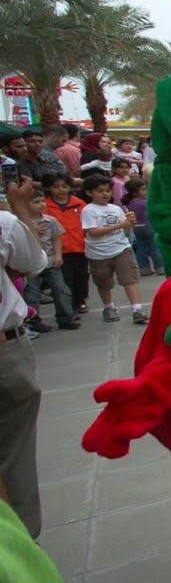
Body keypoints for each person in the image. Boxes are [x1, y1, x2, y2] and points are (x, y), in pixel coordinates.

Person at [0, 176, 48, 539]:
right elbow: (34, 261)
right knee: (13, 454)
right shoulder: (4, 224)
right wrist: (19, 213)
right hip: (6, 353)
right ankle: (20, 547)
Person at [80, 174, 149, 324]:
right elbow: (93, 232)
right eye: (100, 191)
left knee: (130, 277)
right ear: (89, 193)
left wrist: (129, 223)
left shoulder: (116, 208)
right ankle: (108, 307)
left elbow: (124, 231)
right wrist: (120, 225)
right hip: (99, 253)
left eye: (107, 190)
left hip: (121, 248)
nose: (105, 194)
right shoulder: (89, 210)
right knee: (104, 281)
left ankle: (137, 309)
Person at [20, 187, 78, 333]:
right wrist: (31, 230)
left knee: (60, 289)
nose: (41, 204)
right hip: (31, 264)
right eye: (36, 202)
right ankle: (33, 320)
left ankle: (65, 317)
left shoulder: (50, 220)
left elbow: (57, 239)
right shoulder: (19, 222)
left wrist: (58, 255)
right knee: (31, 292)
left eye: (42, 201)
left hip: (51, 261)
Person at [41, 175, 89, 315]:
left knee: (82, 276)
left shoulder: (79, 203)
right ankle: (71, 306)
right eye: (55, 187)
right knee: (66, 279)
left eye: (64, 186)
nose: (61, 190)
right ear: (48, 188)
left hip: (79, 247)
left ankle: (81, 300)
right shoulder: (44, 205)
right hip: (59, 250)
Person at [124, 179, 162, 276]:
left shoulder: (130, 202)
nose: (146, 191)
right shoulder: (143, 203)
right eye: (143, 189)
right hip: (148, 226)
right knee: (154, 247)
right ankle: (160, 267)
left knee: (140, 249)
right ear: (134, 192)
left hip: (136, 227)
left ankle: (144, 269)